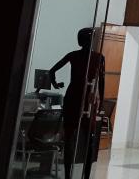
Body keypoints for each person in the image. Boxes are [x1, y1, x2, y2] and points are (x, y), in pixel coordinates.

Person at [50, 27, 105, 179]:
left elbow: (51, 71)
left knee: (72, 139)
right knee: (86, 140)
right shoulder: (98, 57)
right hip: (85, 99)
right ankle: (82, 176)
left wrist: (55, 84)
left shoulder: (74, 55)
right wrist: (100, 103)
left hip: (77, 98)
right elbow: (102, 83)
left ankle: (70, 176)